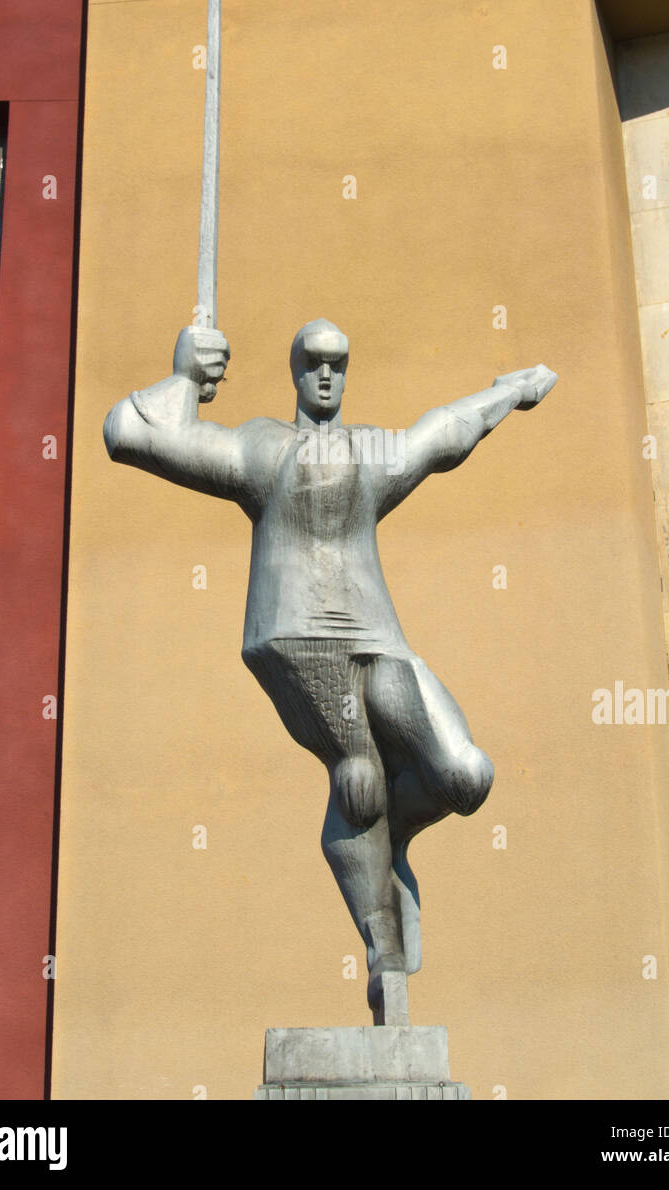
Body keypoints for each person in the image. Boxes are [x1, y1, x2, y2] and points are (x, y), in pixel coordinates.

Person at [104, 318, 557, 1022]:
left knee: (466, 777)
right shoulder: (262, 450)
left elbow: (442, 437)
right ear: (294, 370)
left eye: (337, 363)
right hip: (298, 648)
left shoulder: (369, 454)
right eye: (313, 362)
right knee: (359, 779)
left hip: (379, 642)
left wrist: (509, 394)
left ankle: (389, 832)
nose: (325, 375)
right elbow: (130, 436)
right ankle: (381, 944)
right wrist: (187, 376)